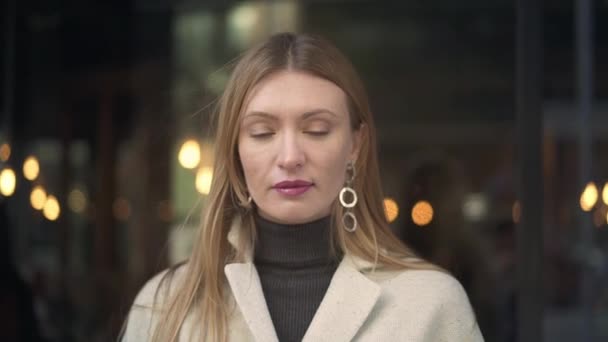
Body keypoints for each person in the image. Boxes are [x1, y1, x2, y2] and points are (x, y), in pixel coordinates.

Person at [121, 32, 484, 342]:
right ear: (235, 150)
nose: (290, 156)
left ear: (355, 145)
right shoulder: (165, 305)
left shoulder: (429, 304)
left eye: (316, 130)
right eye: (263, 133)